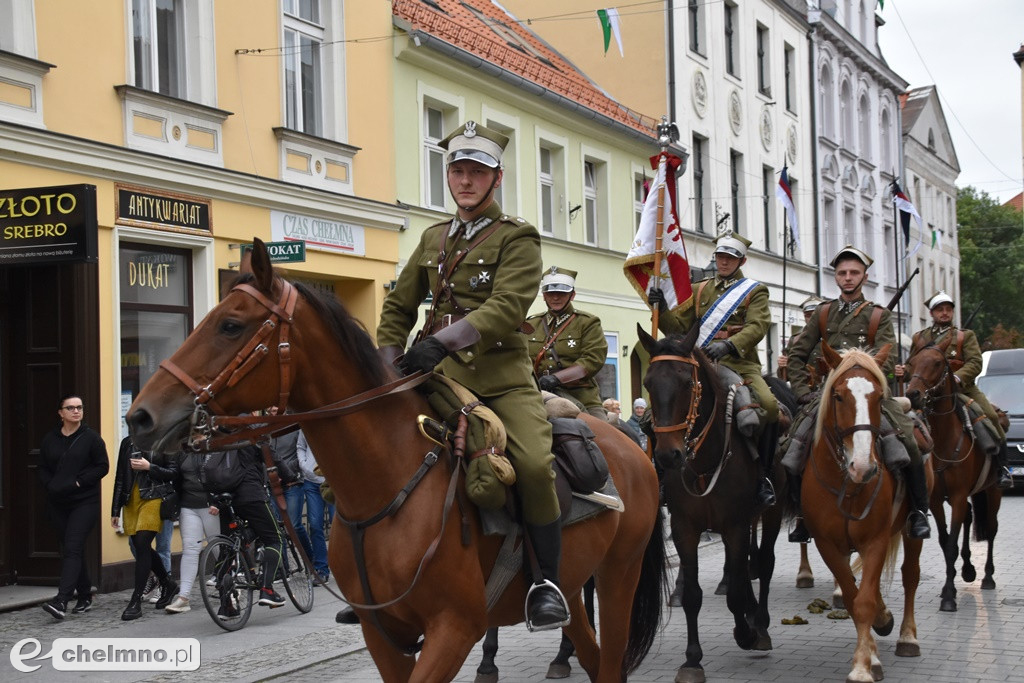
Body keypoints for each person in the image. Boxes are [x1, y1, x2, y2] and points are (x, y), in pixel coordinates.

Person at [376, 120, 568, 630]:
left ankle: (546, 583)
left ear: (496, 178)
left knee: (531, 466)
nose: (466, 181)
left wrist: (441, 340)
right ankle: (376, 577)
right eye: (458, 171)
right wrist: (390, 360)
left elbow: (506, 307)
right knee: (376, 448)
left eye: (477, 173)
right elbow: (398, 307)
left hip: (500, 379)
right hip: (434, 376)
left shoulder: (518, 236)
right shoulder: (432, 237)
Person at [786, 245, 931, 542]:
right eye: (842, 273)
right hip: (830, 395)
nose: (848, 278)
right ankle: (802, 514)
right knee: (790, 445)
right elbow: (796, 355)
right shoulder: (823, 313)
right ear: (835, 277)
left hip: (869, 393)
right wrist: (803, 393)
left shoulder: (879, 315)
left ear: (864, 276)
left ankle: (918, 511)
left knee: (908, 440)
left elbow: (888, 358)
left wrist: (864, 372)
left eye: (854, 273)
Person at [648, 232, 780, 507]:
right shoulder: (700, 289)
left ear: (741, 260)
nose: (724, 262)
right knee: (654, 415)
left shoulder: (754, 291)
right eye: (720, 256)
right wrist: (659, 307)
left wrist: (730, 345)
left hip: (738, 362)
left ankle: (763, 477)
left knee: (767, 406)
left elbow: (758, 326)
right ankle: (661, 478)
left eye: (730, 258)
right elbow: (676, 328)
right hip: (700, 362)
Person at [895, 291, 1012, 489]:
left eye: (948, 309)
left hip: (962, 389)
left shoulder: (964, 336)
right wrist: (901, 371)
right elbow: (913, 366)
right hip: (929, 393)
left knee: (991, 417)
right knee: (902, 424)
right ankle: (905, 469)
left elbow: (975, 362)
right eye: (940, 309)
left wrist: (958, 377)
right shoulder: (920, 338)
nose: (944, 313)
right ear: (932, 313)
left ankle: (1003, 468)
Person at [38, 395, 110, 620]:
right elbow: (42, 467)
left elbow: (102, 466)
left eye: (79, 407)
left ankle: (61, 601)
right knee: (71, 549)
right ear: (61, 413)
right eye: (70, 408)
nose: (76, 411)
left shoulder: (91, 438)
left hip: (84, 502)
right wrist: (50, 485)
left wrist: (79, 482)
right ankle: (85, 594)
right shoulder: (50, 439)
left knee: (73, 546)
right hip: (58, 502)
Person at [205, 444, 288, 616]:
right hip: (250, 494)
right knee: (275, 538)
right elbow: (272, 456)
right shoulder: (249, 429)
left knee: (228, 548)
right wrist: (290, 476)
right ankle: (267, 590)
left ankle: (226, 606)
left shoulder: (219, 432)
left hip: (224, 498)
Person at [525, 266, 608, 419]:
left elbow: (593, 358)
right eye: (550, 293)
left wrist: (557, 379)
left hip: (580, 395)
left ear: (572, 295)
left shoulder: (587, 323)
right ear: (543, 295)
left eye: (561, 293)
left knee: (600, 437)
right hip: (536, 394)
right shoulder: (532, 324)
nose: (555, 297)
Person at [111, 436, 179, 620]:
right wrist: (115, 508)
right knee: (141, 547)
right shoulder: (127, 442)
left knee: (142, 543)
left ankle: (135, 602)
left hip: (154, 496)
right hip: (131, 501)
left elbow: (173, 472)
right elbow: (120, 476)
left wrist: (150, 467)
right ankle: (168, 583)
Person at [163, 451, 220, 614]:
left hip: (212, 506)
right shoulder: (182, 450)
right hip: (188, 505)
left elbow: (223, 473)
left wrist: (218, 500)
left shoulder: (214, 446)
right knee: (189, 549)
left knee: (218, 548)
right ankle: (183, 598)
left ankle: (228, 588)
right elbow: (176, 475)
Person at [286, 430, 335, 582]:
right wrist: (304, 465)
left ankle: (346, 564)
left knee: (337, 525)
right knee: (314, 525)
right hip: (312, 483)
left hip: (333, 480)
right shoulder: (304, 427)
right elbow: (301, 446)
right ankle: (321, 568)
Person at [777, 296, 823, 384]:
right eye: (808, 315)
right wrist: (782, 366)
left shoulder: (831, 336)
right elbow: (785, 377)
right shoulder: (795, 340)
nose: (811, 319)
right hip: (802, 389)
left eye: (814, 315)